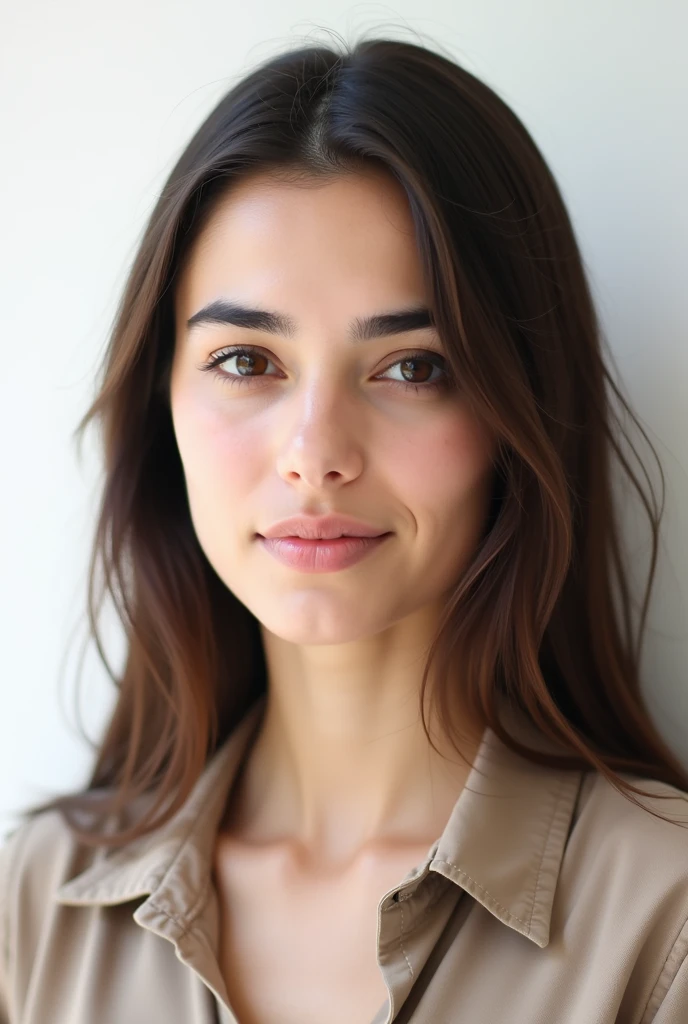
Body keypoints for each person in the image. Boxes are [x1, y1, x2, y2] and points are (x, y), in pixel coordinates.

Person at [1, 30, 688, 1024]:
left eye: (411, 365)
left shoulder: (663, 920)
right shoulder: (36, 910)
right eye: (247, 361)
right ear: (162, 406)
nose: (315, 452)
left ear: (516, 412)